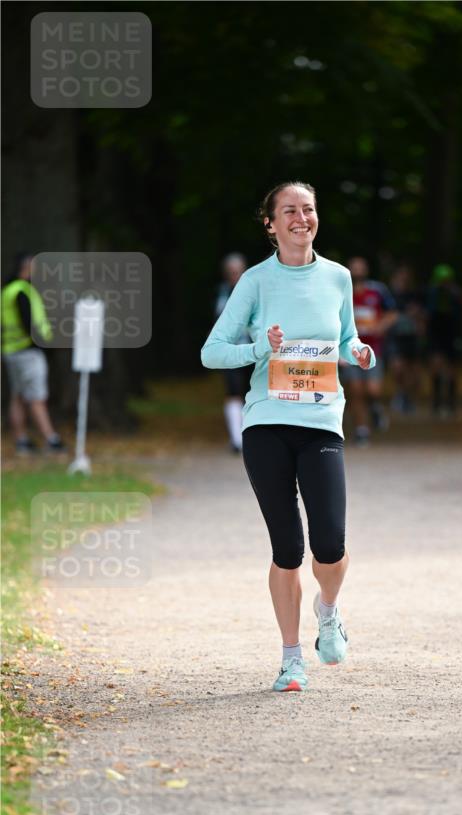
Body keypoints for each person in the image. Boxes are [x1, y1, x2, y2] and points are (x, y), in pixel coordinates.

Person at [201, 181, 375, 693]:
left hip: (321, 423)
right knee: (287, 548)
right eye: (290, 211)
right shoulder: (255, 281)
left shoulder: (338, 277)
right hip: (267, 423)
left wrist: (359, 353)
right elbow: (212, 351)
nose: (302, 218)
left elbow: (346, 339)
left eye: (309, 209)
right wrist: (261, 347)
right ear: (271, 224)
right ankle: (291, 660)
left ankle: (329, 611)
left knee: (330, 544)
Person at [1, 252, 66, 456]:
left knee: (18, 396)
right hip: (28, 352)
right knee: (37, 397)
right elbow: (29, 323)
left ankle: (21, 440)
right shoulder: (22, 291)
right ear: (27, 267)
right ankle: (51, 439)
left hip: (11, 350)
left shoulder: (7, 290)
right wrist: (49, 345)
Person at [340, 256, 397, 446]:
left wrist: (380, 327)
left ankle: (375, 407)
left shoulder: (377, 290)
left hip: (374, 348)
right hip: (349, 349)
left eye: (360, 268)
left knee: (373, 390)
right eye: (353, 268)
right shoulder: (342, 290)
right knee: (355, 390)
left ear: (366, 270)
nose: (357, 271)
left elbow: (392, 313)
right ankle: (361, 430)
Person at [426, 264, 462, 419]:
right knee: (436, 366)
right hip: (435, 335)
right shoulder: (431, 293)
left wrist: (460, 296)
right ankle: (436, 402)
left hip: (452, 335)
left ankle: (451, 403)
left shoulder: (456, 294)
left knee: (452, 370)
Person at [213, 252, 251, 453]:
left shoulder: (254, 291)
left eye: (238, 271)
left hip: (252, 350)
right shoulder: (222, 293)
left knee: (252, 392)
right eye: (231, 272)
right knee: (233, 392)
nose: (235, 275)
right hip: (230, 351)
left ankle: (250, 435)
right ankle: (237, 439)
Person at [385, 264, 425, 414]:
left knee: (413, 371)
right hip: (395, 337)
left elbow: (423, 315)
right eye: (400, 276)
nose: (403, 279)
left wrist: (419, 319)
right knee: (397, 368)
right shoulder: (389, 296)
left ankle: (407, 397)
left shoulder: (415, 295)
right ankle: (401, 393)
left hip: (412, 337)